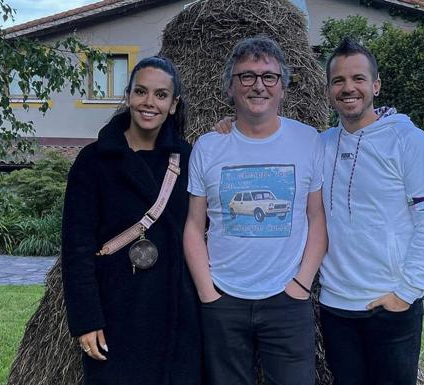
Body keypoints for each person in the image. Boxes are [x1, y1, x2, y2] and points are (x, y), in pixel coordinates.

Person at [183, 36, 327, 385]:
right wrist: (208, 292)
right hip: (223, 300)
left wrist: (300, 285)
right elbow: (193, 225)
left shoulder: (309, 141)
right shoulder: (208, 146)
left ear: (282, 87)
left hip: (287, 300)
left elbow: (317, 219)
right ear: (230, 87)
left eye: (269, 77)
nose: (258, 85)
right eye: (246, 76)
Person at [61, 56, 202, 385]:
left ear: (173, 104)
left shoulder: (190, 157)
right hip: (115, 311)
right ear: (127, 96)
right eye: (141, 92)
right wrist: (85, 319)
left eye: (161, 95)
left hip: (177, 312)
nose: (149, 102)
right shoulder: (93, 161)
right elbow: (76, 247)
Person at [318, 37, 424, 385]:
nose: (349, 88)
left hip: (389, 306)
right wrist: (228, 126)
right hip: (336, 306)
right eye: (338, 81)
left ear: (375, 85)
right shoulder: (320, 144)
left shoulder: (410, 142)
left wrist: (405, 293)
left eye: (358, 79)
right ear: (329, 88)